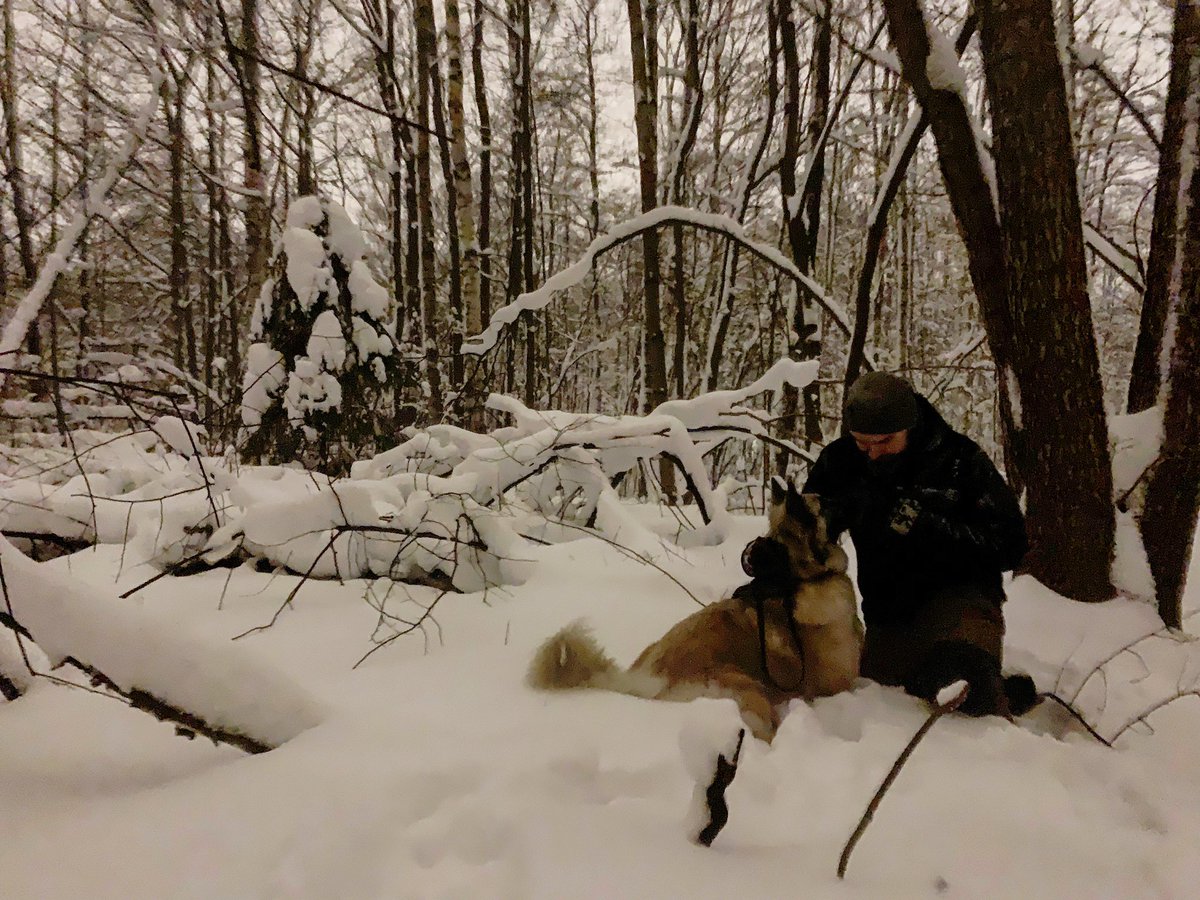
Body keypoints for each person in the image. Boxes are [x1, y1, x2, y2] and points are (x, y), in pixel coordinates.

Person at [802, 371, 1035, 716]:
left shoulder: (960, 461)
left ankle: (998, 689)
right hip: (888, 618)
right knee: (883, 702)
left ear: (909, 427)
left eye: (884, 442)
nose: (872, 454)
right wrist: (778, 551)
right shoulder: (842, 461)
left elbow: (1011, 545)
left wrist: (927, 525)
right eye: (862, 443)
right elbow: (809, 522)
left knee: (963, 689)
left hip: (961, 605)